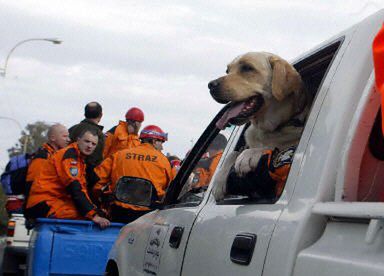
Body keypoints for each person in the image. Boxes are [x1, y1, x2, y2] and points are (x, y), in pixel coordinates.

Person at [25, 129, 110, 228]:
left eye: (93, 144)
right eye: (86, 141)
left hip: (54, 200)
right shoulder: (70, 157)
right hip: (44, 203)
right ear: (78, 140)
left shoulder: (79, 159)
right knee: (84, 216)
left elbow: (81, 189)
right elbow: (75, 188)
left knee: (93, 212)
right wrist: (94, 215)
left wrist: (95, 210)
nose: (89, 146)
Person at [93, 125, 172, 223]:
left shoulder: (119, 155)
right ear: (154, 141)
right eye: (161, 142)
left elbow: (96, 181)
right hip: (147, 216)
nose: (162, 147)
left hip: (118, 212)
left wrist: (100, 202)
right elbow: (171, 188)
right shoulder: (163, 161)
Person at [25, 123, 71, 198]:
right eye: (64, 136)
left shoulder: (55, 155)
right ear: (53, 138)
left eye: (68, 136)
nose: (68, 140)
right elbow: (32, 184)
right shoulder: (42, 157)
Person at [69, 102, 105, 169]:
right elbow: (94, 160)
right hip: (85, 175)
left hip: (67, 170)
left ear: (85, 114)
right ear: (101, 115)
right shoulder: (98, 134)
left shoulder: (71, 129)